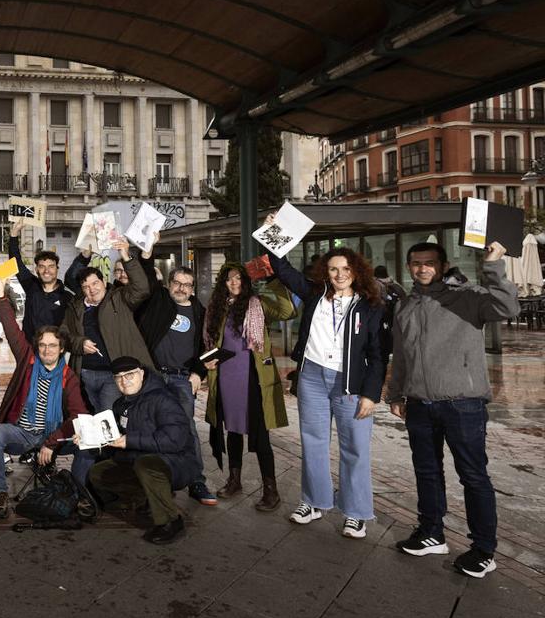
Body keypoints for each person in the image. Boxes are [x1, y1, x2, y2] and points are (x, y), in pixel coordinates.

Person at [387, 241, 518, 578]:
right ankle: (431, 532)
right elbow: (401, 356)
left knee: (473, 476)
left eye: (429, 263)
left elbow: (507, 307)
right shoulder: (406, 305)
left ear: (443, 265)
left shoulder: (469, 296)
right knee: (426, 472)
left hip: (462, 404)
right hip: (419, 404)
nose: (422, 268)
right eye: (415, 263)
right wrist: (396, 393)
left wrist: (493, 265)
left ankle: (484, 549)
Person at [266, 232, 387, 539]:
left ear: (356, 272)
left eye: (346, 269)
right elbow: (282, 269)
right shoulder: (313, 294)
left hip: (351, 383)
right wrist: (274, 236)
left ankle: (355, 513)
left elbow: (377, 355)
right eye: (334, 269)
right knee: (313, 441)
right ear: (325, 272)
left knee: (355, 448)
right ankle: (314, 501)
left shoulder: (371, 306)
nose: (339, 275)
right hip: (313, 378)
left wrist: (371, 395)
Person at [0, 276, 96, 518]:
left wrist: (51, 441)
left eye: (53, 345)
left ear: (62, 348)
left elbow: (80, 415)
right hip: (22, 434)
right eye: (43, 345)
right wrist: (2, 297)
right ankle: (0, 492)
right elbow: (12, 329)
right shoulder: (28, 361)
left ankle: (76, 492)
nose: (47, 350)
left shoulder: (68, 377)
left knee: (88, 444)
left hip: (54, 433)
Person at [202, 263, 295, 511]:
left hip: (253, 377)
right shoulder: (217, 308)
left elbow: (287, 311)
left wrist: (274, 280)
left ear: (246, 281)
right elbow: (210, 342)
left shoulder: (258, 303)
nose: (234, 283)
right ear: (223, 283)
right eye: (229, 279)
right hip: (225, 376)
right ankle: (234, 480)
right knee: (231, 430)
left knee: (260, 433)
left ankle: (271, 490)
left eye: (239, 279)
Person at [88, 357, 200, 544]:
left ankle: (170, 521)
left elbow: (174, 440)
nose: (125, 381)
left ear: (141, 373)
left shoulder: (163, 399)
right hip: (138, 458)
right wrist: (91, 439)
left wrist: (128, 441)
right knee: (97, 473)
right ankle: (148, 498)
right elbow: (115, 438)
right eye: (119, 377)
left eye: (130, 375)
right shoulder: (120, 404)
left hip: (176, 462)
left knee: (146, 466)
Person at [134, 260, 217, 507]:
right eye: (177, 283)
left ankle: (196, 480)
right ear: (169, 284)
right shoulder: (158, 302)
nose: (181, 288)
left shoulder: (200, 313)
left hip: (182, 378)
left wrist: (198, 373)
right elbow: (146, 277)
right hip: (154, 376)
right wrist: (146, 254)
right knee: (150, 426)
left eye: (186, 285)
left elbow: (208, 348)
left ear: (193, 289)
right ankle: (156, 480)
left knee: (186, 429)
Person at [62, 240, 153, 414]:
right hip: (84, 374)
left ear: (104, 282)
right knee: (88, 417)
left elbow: (142, 288)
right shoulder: (75, 306)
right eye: (86, 286)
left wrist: (126, 256)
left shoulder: (119, 298)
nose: (92, 289)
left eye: (95, 283)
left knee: (107, 417)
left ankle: (111, 442)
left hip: (113, 374)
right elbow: (63, 335)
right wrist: (79, 343)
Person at [7, 220, 73, 340]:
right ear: (37, 269)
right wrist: (14, 235)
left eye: (51, 266)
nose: (46, 271)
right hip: (31, 349)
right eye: (42, 267)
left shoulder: (67, 297)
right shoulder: (31, 286)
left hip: (55, 352)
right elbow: (15, 263)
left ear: (57, 269)